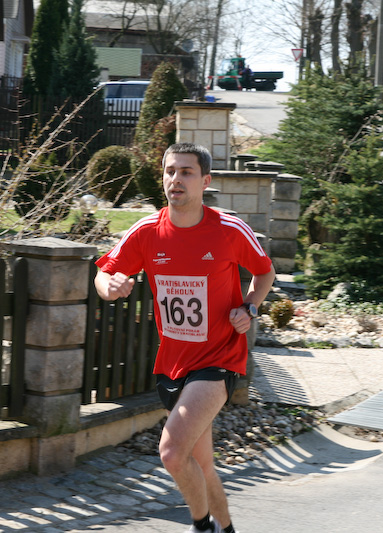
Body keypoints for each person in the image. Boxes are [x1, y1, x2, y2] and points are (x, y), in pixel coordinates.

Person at [94, 143, 276, 533]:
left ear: (205, 181)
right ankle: (226, 529)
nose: (175, 179)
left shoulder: (229, 229)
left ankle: (201, 526)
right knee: (202, 465)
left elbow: (265, 272)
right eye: (170, 171)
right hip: (173, 363)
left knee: (172, 453)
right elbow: (104, 272)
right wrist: (109, 287)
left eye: (186, 172)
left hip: (219, 358)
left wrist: (249, 307)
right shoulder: (147, 230)